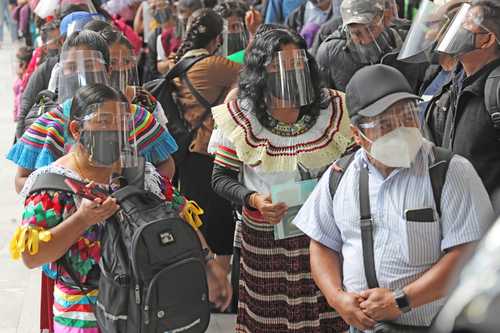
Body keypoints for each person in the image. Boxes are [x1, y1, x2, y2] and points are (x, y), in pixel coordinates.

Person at [9, 84, 231, 332]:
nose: (113, 130)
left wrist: (211, 265)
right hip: (83, 316)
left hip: (143, 311)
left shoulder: (141, 174)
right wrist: (81, 220)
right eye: (103, 121)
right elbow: (32, 256)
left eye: (120, 123)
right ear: (76, 129)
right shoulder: (51, 185)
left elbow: (181, 214)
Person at [294, 64, 492, 332]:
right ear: (358, 135)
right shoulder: (340, 176)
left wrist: (402, 300)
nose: (401, 129)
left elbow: (467, 253)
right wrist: (337, 297)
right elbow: (322, 244)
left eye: (408, 117)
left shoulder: (449, 172)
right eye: (385, 124)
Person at [210, 28, 353, 332]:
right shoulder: (241, 114)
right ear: (261, 69)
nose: (289, 70)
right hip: (266, 239)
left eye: (296, 62)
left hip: (325, 235)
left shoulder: (333, 108)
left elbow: (355, 164)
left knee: (326, 314)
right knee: (269, 320)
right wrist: (254, 199)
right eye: (277, 64)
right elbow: (220, 178)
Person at [8, 30, 177, 192]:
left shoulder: (135, 117)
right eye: (71, 66)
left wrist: (146, 194)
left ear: (108, 70)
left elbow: (166, 164)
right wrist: (65, 195)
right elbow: (21, 179)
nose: (80, 72)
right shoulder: (49, 124)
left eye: (89, 65)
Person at [172, 8, 241, 276]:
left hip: (186, 155)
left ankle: (200, 283)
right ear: (216, 40)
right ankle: (219, 285)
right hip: (207, 153)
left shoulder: (177, 64)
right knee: (218, 221)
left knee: (195, 218)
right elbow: (254, 70)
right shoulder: (213, 65)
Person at [429, 0, 500, 197]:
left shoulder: (495, 90)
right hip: (456, 210)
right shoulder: (455, 81)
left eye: (466, 23)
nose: (457, 28)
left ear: (487, 39)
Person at [315, 0, 425, 92]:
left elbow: (425, 86)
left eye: (371, 28)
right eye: (356, 33)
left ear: (383, 17)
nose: (366, 39)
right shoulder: (330, 53)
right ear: (347, 30)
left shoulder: (409, 40)